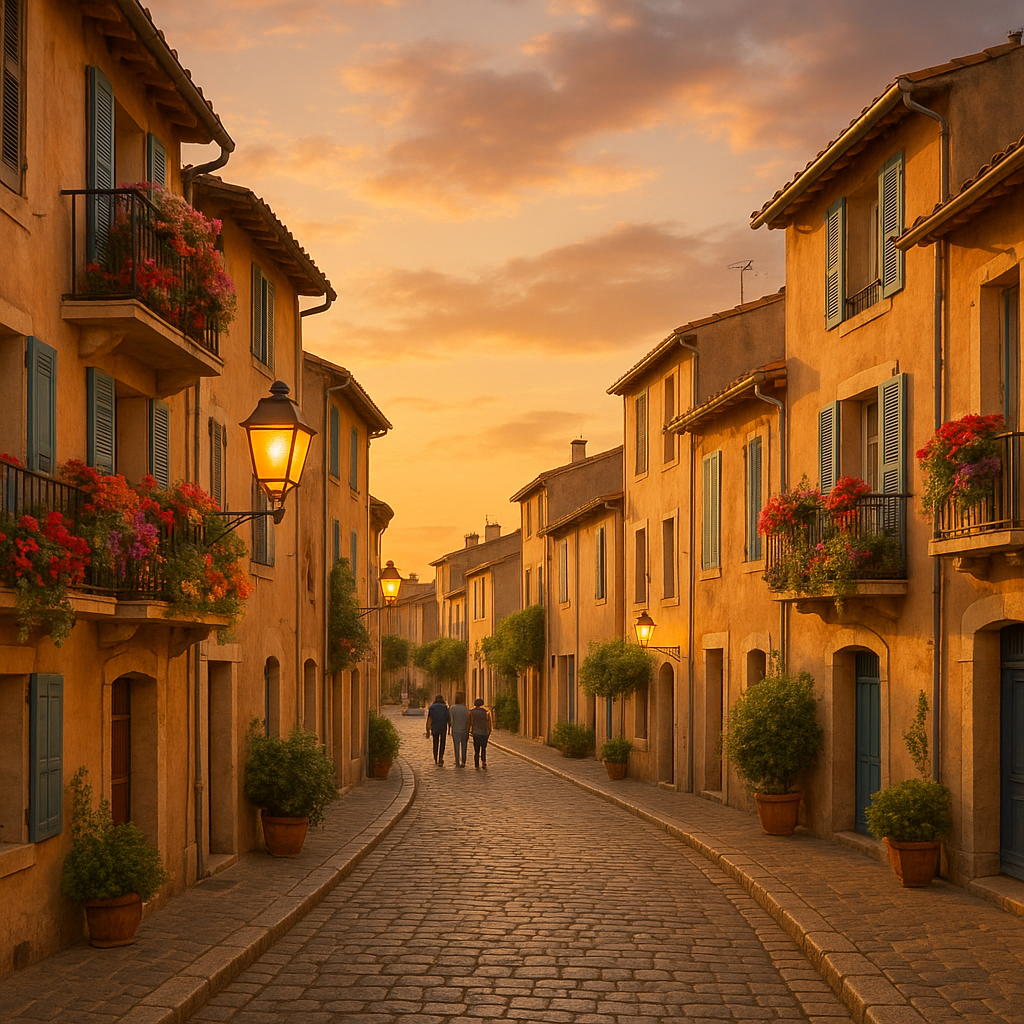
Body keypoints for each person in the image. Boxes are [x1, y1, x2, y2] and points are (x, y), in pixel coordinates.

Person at [468, 697, 494, 770]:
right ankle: (483, 761)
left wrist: (470, 731)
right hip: (484, 733)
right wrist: (489, 732)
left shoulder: (471, 712)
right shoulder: (486, 712)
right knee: (483, 748)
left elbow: (470, 723)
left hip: (476, 733)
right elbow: (489, 723)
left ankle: (476, 764)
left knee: (476, 750)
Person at [425, 694, 450, 765]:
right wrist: (449, 729)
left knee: (435, 742)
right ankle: (441, 757)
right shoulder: (445, 707)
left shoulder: (432, 707)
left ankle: (435, 757)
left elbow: (430, 719)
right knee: (442, 743)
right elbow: (448, 718)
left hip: (435, 727)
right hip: (443, 727)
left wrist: (428, 730)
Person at [449, 692, 469, 768]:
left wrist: (451, 728)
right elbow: (467, 720)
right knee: (464, 746)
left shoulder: (452, 708)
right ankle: (463, 761)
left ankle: (457, 761)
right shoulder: (465, 708)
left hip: (456, 730)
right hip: (464, 730)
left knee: (456, 746)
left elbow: (451, 720)